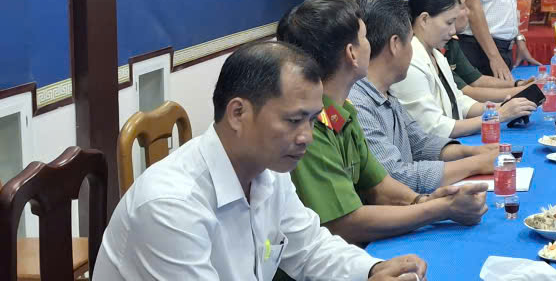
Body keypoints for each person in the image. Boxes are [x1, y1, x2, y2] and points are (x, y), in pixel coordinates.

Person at [93, 41, 427, 281]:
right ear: (238, 113)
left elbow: (309, 248)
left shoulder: (269, 172)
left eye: (312, 120)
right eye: (293, 120)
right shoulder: (169, 206)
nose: (307, 137)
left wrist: (370, 269)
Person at [275, 0, 488, 255]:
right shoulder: (310, 128)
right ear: (352, 54)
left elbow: (380, 185)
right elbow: (344, 223)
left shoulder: (342, 112)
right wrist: (438, 209)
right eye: (365, 37)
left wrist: (422, 200)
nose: (371, 45)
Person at [350, 0, 500, 193]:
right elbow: (396, 177)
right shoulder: (357, 105)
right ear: (395, 44)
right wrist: (476, 164)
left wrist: (472, 151)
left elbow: (420, 142)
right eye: (410, 40)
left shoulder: (385, 93)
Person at [391, 0, 536, 138]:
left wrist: (501, 107)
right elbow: (434, 127)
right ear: (424, 19)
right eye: (448, 22)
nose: (453, 30)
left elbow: (459, 102)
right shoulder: (409, 62)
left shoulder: (436, 55)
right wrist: (499, 115)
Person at [433, 0, 535, 103]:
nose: (468, 12)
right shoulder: (429, 50)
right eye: (463, 7)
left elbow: (477, 80)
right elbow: (467, 92)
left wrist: (517, 84)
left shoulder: (451, 43)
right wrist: (524, 91)